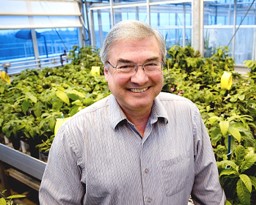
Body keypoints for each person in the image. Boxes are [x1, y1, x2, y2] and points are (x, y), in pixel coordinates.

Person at [39, 20, 226, 205]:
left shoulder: (187, 115)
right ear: (106, 72)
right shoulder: (74, 135)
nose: (140, 78)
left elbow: (210, 195)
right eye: (125, 66)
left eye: (151, 64)